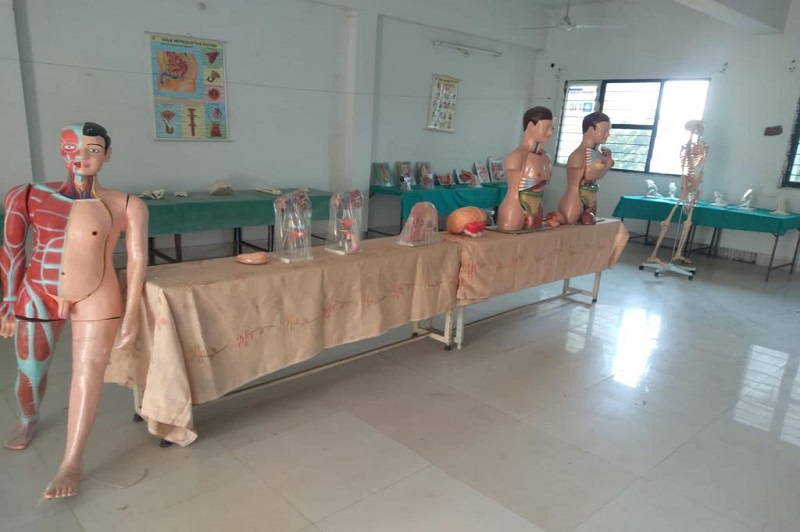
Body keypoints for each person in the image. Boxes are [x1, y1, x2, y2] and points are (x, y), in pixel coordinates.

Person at [0, 122, 148, 499]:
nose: (81, 157)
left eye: (93, 150)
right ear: (61, 151)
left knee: (88, 374)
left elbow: (136, 260)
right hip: (39, 291)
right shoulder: (27, 195)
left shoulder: (126, 204)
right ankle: (29, 417)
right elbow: (12, 250)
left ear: (107, 154)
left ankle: (71, 462)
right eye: (73, 149)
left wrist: (131, 313)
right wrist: (9, 301)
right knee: (30, 372)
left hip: (98, 293)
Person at [496, 107, 554, 231]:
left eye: (552, 128)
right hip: (515, 207)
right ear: (530, 126)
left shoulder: (547, 158)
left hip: (538, 206)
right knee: (510, 240)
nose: (550, 133)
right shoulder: (516, 156)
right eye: (546, 128)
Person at [559, 112, 614, 225]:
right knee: (571, 228)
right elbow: (589, 174)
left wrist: (607, 161)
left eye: (608, 131)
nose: (608, 134)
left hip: (591, 197)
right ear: (590, 129)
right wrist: (606, 162)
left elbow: (600, 175)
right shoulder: (578, 155)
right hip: (575, 200)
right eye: (604, 130)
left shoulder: (598, 155)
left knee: (588, 230)